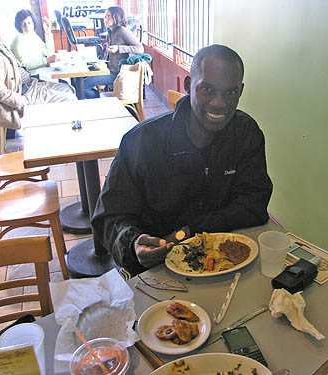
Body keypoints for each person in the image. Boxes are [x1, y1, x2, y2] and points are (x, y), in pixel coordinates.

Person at [92, 44, 273, 277]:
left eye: (230, 92)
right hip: (155, 272)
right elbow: (109, 217)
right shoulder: (142, 141)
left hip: (227, 267)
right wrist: (133, 243)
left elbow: (253, 204)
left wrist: (190, 231)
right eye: (207, 89)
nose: (219, 103)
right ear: (188, 86)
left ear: (240, 91)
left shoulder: (246, 133)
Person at [0, 14, 76, 133]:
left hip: (30, 86)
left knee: (69, 89)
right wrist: (23, 102)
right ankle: (57, 136)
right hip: (24, 94)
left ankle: (56, 131)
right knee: (70, 99)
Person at [83, 6, 144, 99]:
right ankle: (101, 100)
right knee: (80, 80)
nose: (105, 19)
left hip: (117, 74)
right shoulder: (111, 32)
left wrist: (119, 48)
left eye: (109, 16)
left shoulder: (123, 31)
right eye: (105, 17)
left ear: (117, 17)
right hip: (108, 70)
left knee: (83, 85)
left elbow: (140, 49)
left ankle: (102, 101)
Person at [10, 9, 59, 74]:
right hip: (31, 79)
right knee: (65, 83)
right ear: (19, 25)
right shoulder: (18, 40)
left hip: (41, 74)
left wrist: (48, 32)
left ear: (33, 23)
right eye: (23, 23)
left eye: (29, 23)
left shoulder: (33, 35)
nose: (27, 26)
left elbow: (49, 53)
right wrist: (47, 60)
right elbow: (24, 65)